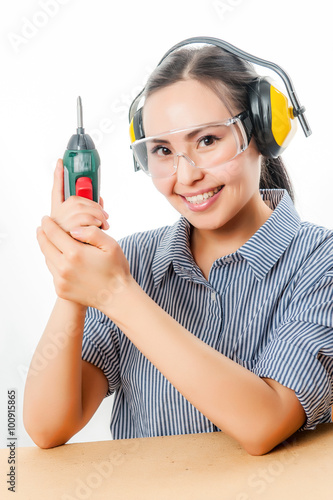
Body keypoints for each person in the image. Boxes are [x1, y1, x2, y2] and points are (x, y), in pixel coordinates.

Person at [23, 41, 333, 456]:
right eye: (163, 151)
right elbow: (47, 427)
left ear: (263, 131)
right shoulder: (130, 262)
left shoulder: (320, 261)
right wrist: (74, 279)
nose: (186, 176)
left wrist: (117, 294)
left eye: (207, 140)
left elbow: (265, 422)